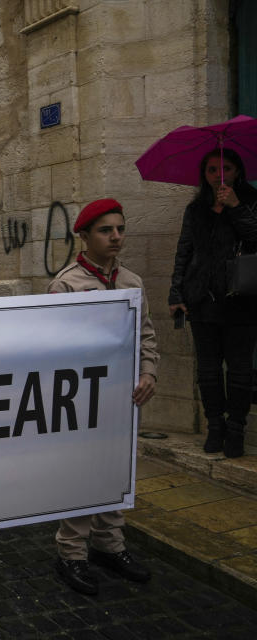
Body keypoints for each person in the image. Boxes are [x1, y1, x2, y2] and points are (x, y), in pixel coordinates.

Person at [49, 197, 157, 596]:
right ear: (84, 236)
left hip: (123, 400)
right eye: (106, 230)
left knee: (117, 472)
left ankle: (110, 546)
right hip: (81, 400)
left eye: (120, 229)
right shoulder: (66, 285)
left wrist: (149, 372)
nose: (116, 237)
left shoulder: (132, 282)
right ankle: (71, 553)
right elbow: (54, 349)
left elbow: (146, 334)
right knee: (80, 474)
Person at [169, 148, 257, 458]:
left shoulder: (251, 201)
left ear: (238, 171)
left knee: (240, 371)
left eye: (227, 168)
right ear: (203, 175)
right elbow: (184, 252)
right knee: (207, 370)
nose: (219, 175)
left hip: (241, 301)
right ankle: (215, 426)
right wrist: (176, 294)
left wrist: (236, 207)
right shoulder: (196, 209)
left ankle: (236, 429)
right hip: (201, 299)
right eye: (211, 170)